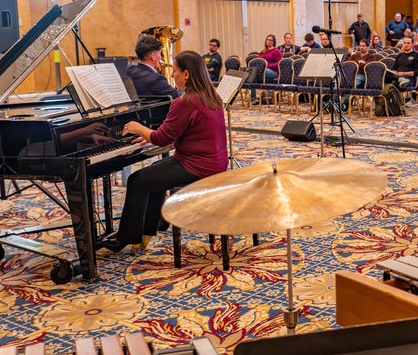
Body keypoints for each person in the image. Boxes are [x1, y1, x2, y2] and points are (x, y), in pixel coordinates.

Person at [100, 51, 226, 252]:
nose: (172, 75)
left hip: (196, 166)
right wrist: (151, 133)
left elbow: (162, 139)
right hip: (215, 163)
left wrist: (139, 128)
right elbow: (172, 132)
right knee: (155, 172)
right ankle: (149, 229)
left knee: (137, 180)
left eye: (175, 71)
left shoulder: (184, 102)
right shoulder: (211, 96)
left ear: (186, 74)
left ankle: (127, 236)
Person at [386, 36, 418, 106]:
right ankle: (392, 104)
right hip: (398, 76)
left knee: (394, 83)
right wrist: (395, 73)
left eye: (408, 43)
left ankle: (393, 105)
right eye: (404, 43)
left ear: (412, 44)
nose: (406, 45)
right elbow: (394, 68)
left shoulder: (416, 56)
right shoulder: (400, 55)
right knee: (385, 73)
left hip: (409, 79)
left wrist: (404, 74)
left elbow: (417, 72)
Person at [251, 34, 282, 104]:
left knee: (256, 73)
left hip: (273, 72)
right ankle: (253, 97)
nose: (268, 41)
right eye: (267, 40)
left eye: (270, 40)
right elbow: (258, 61)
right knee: (253, 75)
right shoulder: (262, 51)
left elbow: (279, 64)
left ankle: (261, 96)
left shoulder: (276, 51)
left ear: (273, 42)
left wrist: (267, 66)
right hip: (262, 71)